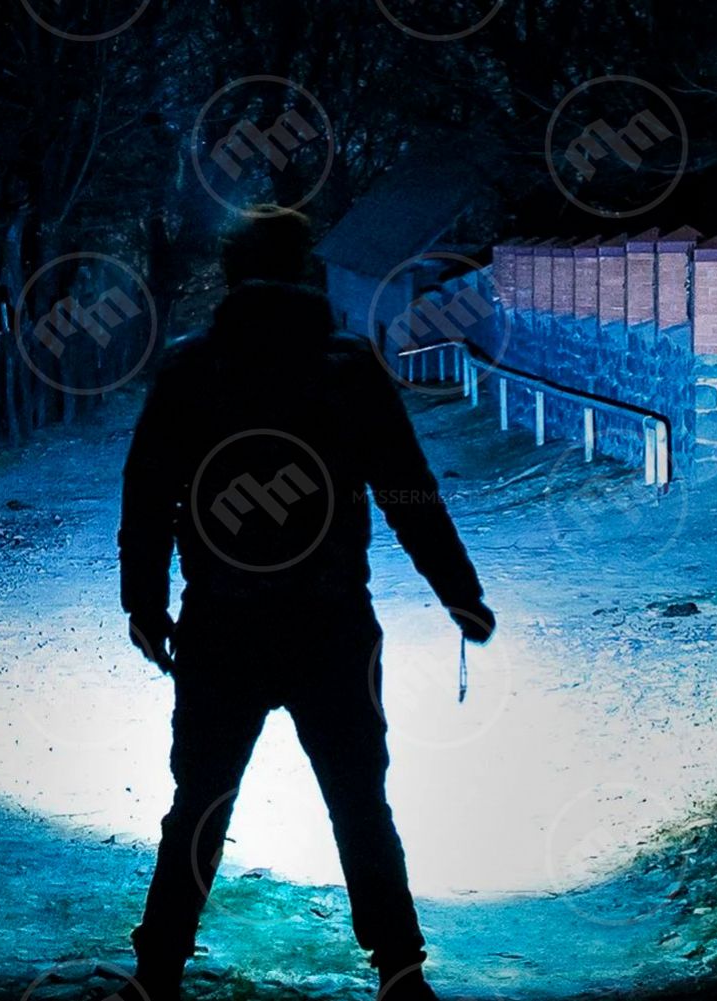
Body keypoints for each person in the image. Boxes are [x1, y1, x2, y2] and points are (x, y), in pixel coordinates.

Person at [116, 206, 495, 1001]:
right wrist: (459, 594)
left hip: (221, 622)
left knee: (200, 801)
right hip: (332, 622)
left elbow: (148, 498)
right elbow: (407, 491)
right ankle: (399, 969)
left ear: (230, 276)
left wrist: (145, 608)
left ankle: (157, 971)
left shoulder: (191, 368)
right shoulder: (346, 368)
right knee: (358, 800)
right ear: (306, 271)